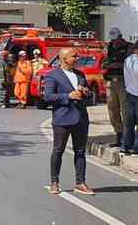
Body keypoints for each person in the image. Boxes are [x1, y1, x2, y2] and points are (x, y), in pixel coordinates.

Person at [44, 48, 94, 195]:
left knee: (80, 151)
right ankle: (54, 181)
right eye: (74, 56)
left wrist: (86, 93)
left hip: (80, 118)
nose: (77, 58)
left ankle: (80, 182)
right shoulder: (53, 76)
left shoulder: (80, 75)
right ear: (64, 59)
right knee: (58, 150)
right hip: (62, 118)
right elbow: (48, 96)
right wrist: (68, 96)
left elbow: (90, 95)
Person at [103, 27, 130, 147]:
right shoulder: (109, 47)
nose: (114, 42)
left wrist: (117, 64)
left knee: (125, 110)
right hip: (110, 81)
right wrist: (106, 64)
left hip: (123, 81)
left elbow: (131, 63)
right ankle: (119, 136)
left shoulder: (129, 47)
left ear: (120, 37)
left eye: (116, 39)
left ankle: (128, 137)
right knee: (112, 110)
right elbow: (105, 61)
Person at [123, 44, 138, 156]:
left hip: (129, 93)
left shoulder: (128, 60)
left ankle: (126, 145)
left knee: (129, 123)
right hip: (135, 94)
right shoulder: (134, 62)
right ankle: (135, 147)